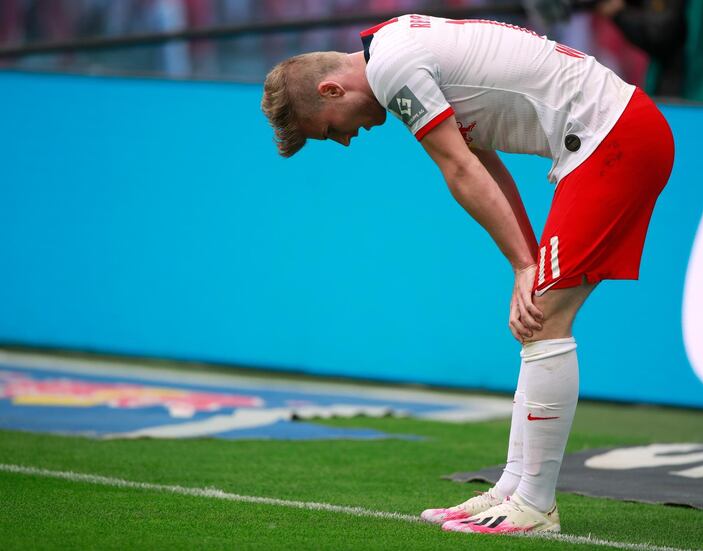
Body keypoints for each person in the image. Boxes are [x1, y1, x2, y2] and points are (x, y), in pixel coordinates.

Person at [261, 14, 674, 535]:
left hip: (614, 137)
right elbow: (484, 162)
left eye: (328, 130)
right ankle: (515, 488)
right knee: (535, 319)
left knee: (544, 320)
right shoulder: (395, 50)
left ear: (330, 88)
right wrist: (524, 261)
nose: (344, 140)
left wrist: (527, 265)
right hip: (612, 133)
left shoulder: (393, 68)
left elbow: (459, 169)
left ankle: (537, 505)